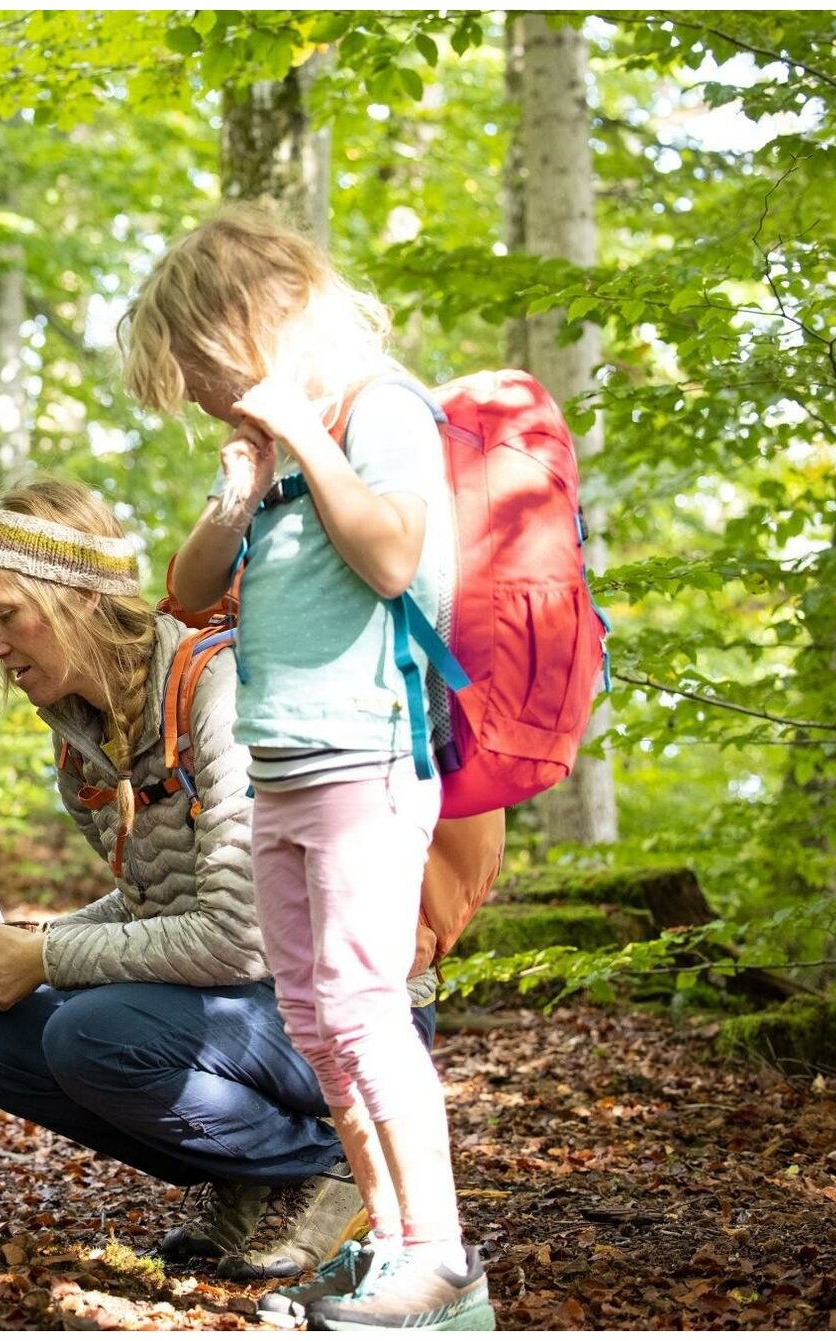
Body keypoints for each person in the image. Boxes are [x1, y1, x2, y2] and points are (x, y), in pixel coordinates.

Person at [129, 201, 492, 1330]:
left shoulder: (380, 407)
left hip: (364, 764)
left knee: (363, 1007)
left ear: (249, 322)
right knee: (309, 1015)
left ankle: (437, 1256)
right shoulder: (279, 443)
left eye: (193, 363)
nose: (190, 391)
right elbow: (186, 596)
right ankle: (385, 1244)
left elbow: (390, 558)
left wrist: (308, 435)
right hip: (283, 770)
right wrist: (241, 485)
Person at [0, 475, 440, 1290]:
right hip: (252, 1007)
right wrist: (35, 943)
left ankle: (338, 1161)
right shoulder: (80, 739)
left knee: (90, 1030)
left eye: (6, 614)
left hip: (345, 1006)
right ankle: (248, 1169)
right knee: (0, 1047)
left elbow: (236, 931)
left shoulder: (216, 687)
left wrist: (51, 956)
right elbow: (153, 907)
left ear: (76, 594)